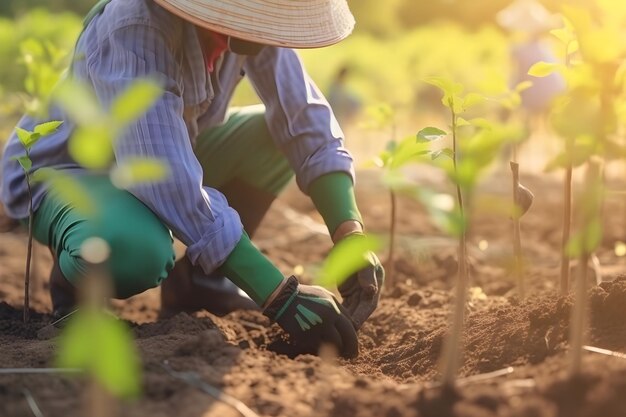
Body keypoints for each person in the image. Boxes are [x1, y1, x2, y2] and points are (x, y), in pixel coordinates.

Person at [0, 0, 384, 358]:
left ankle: (201, 283)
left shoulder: (258, 23)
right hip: (71, 172)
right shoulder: (135, 23)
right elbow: (164, 175)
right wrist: (277, 293)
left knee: (273, 137)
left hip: (162, 152)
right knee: (135, 251)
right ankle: (75, 295)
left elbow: (304, 120)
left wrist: (350, 233)